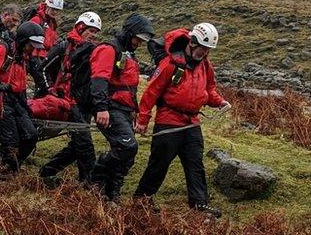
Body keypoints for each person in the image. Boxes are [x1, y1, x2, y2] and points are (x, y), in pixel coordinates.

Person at [134, 23, 229, 218]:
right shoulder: (170, 64)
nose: (205, 53)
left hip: (192, 123)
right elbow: (152, 91)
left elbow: (208, 90)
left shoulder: (205, 66)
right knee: (159, 164)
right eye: (203, 48)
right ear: (192, 43)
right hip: (169, 120)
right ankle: (141, 200)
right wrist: (143, 119)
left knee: (195, 163)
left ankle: (199, 204)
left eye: (208, 50)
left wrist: (219, 102)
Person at [87, 13, 154, 201]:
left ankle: (112, 191)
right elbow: (99, 80)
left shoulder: (127, 53)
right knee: (128, 147)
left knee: (128, 153)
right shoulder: (109, 49)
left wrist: (134, 112)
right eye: (137, 39)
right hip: (110, 108)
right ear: (129, 33)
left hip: (124, 110)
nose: (139, 43)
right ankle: (94, 182)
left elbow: (128, 86)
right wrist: (101, 108)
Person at [38, 12, 103, 185]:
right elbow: (43, 69)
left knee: (77, 145)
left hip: (85, 102)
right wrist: (50, 90)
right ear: (80, 27)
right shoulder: (63, 47)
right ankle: (90, 185)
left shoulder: (94, 51)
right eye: (91, 30)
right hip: (69, 101)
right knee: (85, 145)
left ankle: (47, 171)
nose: (93, 35)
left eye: (96, 32)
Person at [0, 22, 47, 174]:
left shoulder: (22, 56)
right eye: (31, 45)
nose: (33, 49)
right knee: (11, 143)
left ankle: (9, 170)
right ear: (23, 40)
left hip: (16, 100)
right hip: (0, 100)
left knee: (31, 136)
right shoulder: (3, 49)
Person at [26, 0, 65, 97]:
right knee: (43, 85)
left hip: (47, 57)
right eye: (53, 9)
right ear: (47, 6)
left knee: (47, 85)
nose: (55, 12)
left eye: (57, 10)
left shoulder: (52, 23)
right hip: (36, 56)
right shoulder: (37, 20)